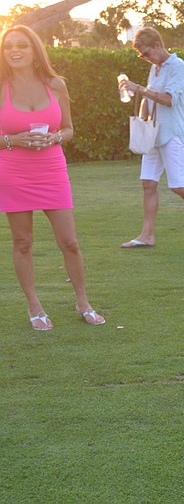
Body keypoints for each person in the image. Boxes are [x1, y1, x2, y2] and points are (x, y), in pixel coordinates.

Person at [0, 26, 105, 330]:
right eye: (9, 47)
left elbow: (69, 129)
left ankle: (83, 302)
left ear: (35, 50)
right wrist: (14, 140)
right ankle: (34, 306)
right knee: (22, 242)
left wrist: (55, 138)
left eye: (22, 45)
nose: (15, 51)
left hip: (51, 170)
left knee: (70, 241)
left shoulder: (56, 85)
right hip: (13, 172)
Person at [118, 27, 184, 248]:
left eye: (146, 53)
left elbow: (168, 99)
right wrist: (142, 114)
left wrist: (140, 89)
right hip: (153, 134)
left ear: (157, 45)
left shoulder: (178, 66)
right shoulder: (155, 68)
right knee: (148, 183)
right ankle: (147, 235)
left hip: (172, 133)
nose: (145, 58)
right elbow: (149, 97)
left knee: (178, 185)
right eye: (141, 56)